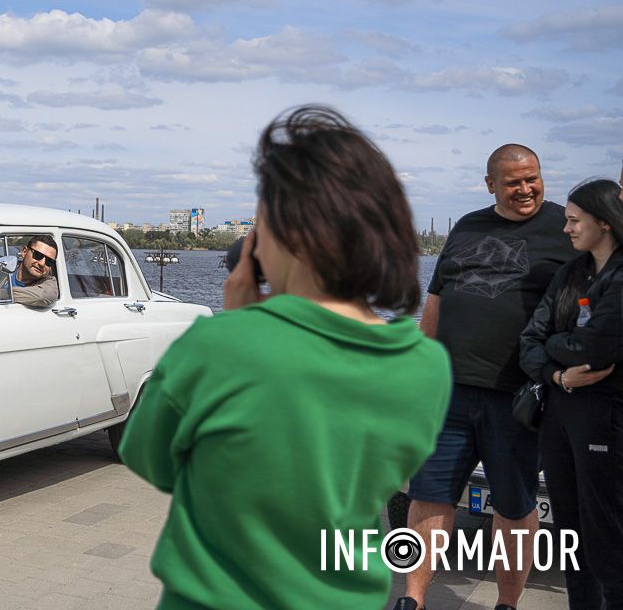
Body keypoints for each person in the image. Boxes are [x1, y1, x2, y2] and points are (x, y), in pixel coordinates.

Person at [119, 105, 451, 609]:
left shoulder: (220, 345)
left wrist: (236, 325)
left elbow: (149, 457)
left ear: (290, 233)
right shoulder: (427, 365)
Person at [398, 144, 575, 610]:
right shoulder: (468, 227)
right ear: (490, 184)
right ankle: (413, 600)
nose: (526, 188)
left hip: (519, 396)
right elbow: (435, 303)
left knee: (514, 507)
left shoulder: (566, 229)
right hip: (449, 391)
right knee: (429, 498)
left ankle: (507, 604)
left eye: (532, 178)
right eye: (513, 181)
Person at [519, 179, 623, 608]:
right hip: (559, 414)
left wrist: (556, 342)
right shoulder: (570, 273)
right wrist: (558, 375)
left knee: (607, 534)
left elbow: (596, 348)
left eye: (574, 220)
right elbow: (529, 340)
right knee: (570, 533)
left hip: (606, 417)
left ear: (605, 221)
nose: (566, 229)